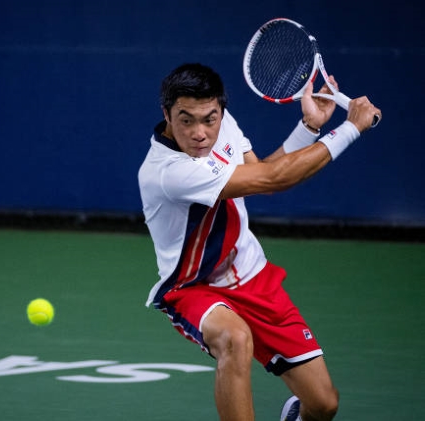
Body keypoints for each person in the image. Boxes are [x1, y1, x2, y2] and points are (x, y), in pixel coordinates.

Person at [137, 63, 381, 421]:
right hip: (193, 288)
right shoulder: (169, 171)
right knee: (234, 340)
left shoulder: (225, 126)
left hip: (253, 276)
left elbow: (263, 169)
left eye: (210, 118)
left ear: (220, 110)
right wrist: (350, 128)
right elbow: (272, 180)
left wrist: (310, 126)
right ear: (167, 115)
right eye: (185, 120)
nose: (200, 133)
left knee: (323, 404)